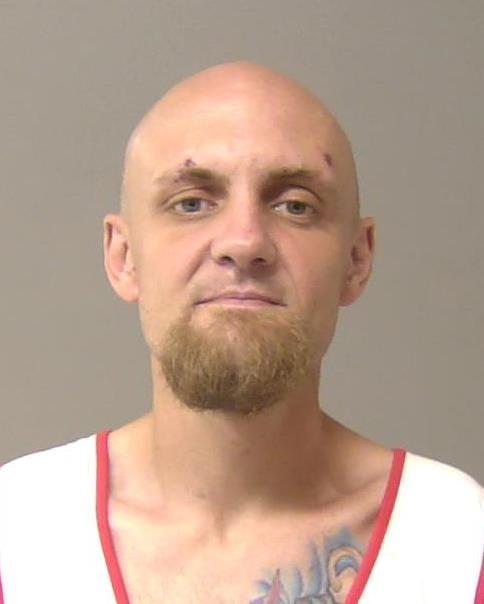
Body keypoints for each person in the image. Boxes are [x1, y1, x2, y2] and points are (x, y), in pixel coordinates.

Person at [0, 60, 482, 604]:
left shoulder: (459, 544)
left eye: (295, 206)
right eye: (191, 203)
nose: (244, 241)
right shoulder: (17, 531)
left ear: (357, 259)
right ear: (124, 255)